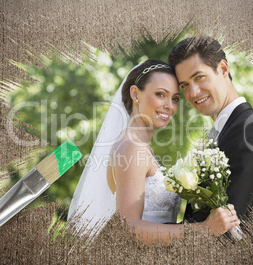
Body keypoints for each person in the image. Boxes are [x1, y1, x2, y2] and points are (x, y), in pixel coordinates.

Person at [67, 60, 240, 245]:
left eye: (174, 99)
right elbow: (129, 229)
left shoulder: (136, 145)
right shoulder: (132, 148)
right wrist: (204, 229)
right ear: (135, 93)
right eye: (160, 94)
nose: (169, 106)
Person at [167, 36, 253, 223]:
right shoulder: (223, 132)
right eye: (184, 85)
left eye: (199, 77)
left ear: (223, 69)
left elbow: (231, 229)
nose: (193, 92)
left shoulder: (251, 132)